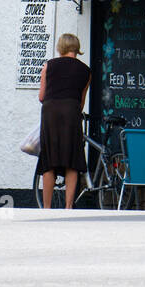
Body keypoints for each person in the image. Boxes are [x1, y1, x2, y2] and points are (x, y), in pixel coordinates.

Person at [37, 33, 91, 210]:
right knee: (72, 159)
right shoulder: (86, 71)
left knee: (49, 160)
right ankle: (68, 207)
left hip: (50, 113)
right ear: (77, 48)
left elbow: (41, 97)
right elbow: (81, 101)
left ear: (60, 47)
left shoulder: (49, 66)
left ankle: (46, 208)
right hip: (72, 113)